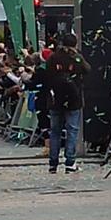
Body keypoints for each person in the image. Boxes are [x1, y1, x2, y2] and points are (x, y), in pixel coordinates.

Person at [36, 35, 87, 174]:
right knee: (72, 130)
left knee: (55, 131)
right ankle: (70, 162)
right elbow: (87, 69)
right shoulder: (76, 58)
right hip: (73, 100)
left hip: (55, 99)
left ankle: (53, 163)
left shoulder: (53, 58)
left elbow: (47, 75)